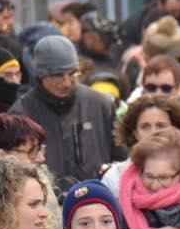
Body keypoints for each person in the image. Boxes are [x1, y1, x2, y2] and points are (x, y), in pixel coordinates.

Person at [10, 35, 120, 191]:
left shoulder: (101, 105)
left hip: (96, 199)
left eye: (72, 74)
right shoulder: (21, 114)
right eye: (58, 75)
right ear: (41, 75)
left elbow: (121, 158)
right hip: (45, 204)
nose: (67, 83)